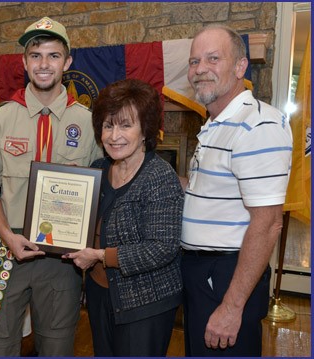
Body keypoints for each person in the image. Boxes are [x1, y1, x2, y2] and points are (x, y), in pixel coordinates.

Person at [0, 17, 103, 356]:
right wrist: (6, 235)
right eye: (36, 55)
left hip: (63, 260)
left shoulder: (88, 122)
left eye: (53, 55)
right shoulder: (0, 118)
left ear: (67, 63)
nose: (44, 64)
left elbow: (101, 190)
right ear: (24, 62)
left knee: (57, 346)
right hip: (7, 247)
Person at [181, 24, 293, 356]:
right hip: (202, 275)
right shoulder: (216, 123)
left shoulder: (258, 125)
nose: (200, 69)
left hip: (227, 277)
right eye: (194, 61)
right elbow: (215, 192)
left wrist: (232, 307)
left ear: (240, 67)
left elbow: (269, 222)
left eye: (213, 58)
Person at [63, 78, 184, 356]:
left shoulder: (160, 176)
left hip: (146, 301)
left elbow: (162, 248)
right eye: (108, 125)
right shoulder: (97, 168)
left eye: (125, 125)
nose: (114, 135)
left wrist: (102, 256)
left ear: (145, 131)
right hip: (99, 293)